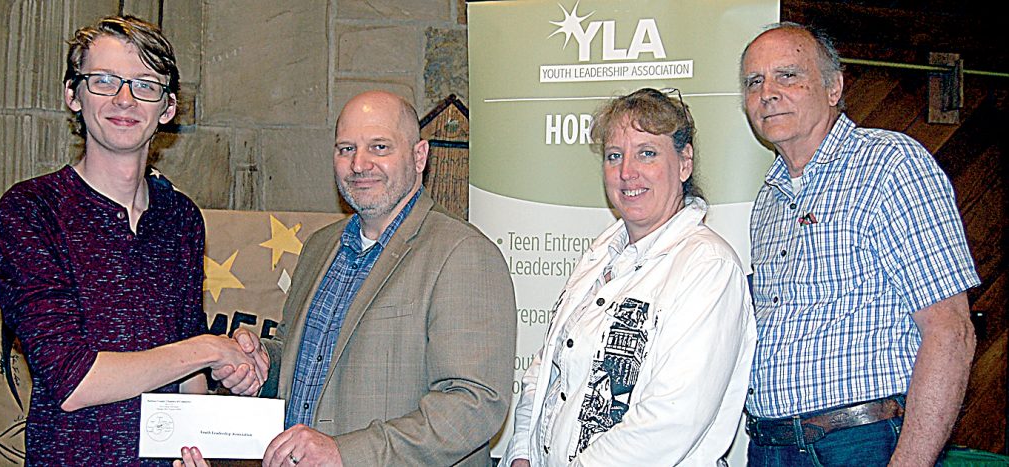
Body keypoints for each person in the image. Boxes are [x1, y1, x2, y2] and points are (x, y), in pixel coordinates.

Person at [179, 90, 517, 467]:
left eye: (379, 147)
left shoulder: (462, 253)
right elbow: (304, 364)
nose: (359, 164)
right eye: (346, 149)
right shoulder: (320, 247)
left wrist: (346, 453)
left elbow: (474, 404)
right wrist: (261, 364)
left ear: (419, 156)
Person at [0, 15, 266, 466]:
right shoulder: (32, 210)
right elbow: (73, 380)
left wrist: (228, 378)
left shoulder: (181, 218)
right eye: (104, 80)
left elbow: (188, 368)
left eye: (145, 85)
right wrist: (208, 349)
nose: (125, 99)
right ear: (72, 94)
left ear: (168, 107)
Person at [740, 22, 980, 466]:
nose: (767, 93)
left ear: (834, 88)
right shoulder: (768, 201)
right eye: (754, 82)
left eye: (787, 75)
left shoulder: (891, 165)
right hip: (770, 447)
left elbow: (950, 330)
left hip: (860, 443)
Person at [501, 88, 756, 466]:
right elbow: (548, 367)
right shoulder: (601, 257)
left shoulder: (708, 266)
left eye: (647, 153)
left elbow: (669, 421)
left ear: (684, 163)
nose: (626, 172)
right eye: (614, 156)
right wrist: (522, 451)